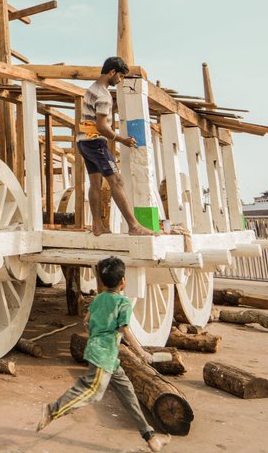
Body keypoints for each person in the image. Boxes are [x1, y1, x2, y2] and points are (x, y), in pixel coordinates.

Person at [37, 256, 170, 451]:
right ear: (123, 281)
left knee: (128, 393)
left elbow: (86, 320)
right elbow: (125, 330)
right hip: (104, 355)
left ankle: (150, 436)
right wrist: (142, 353)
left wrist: (97, 335)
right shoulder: (123, 302)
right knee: (92, 391)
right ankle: (52, 410)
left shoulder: (99, 298)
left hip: (105, 355)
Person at [77, 56, 157, 237]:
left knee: (95, 183)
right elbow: (101, 126)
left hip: (83, 142)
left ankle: (98, 226)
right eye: (120, 76)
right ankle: (134, 226)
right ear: (112, 72)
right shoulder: (104, 95)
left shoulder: (91, 90)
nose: (119, 80)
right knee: (117, 181)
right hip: (96, 142)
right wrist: (122, 140)